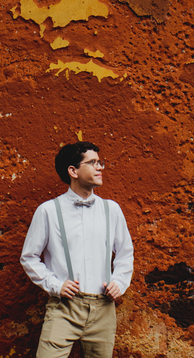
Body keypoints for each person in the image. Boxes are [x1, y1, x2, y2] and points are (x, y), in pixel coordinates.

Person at [20, 141, 134, 358]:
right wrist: (55, 285)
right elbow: (29, 257)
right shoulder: (48, 211)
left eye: (100, 162)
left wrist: (119, 282)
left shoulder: (111, 210)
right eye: (92, 163)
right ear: (73, 171)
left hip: (103, 308)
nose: (100, 167)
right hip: (64, 308)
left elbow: (125, 252)